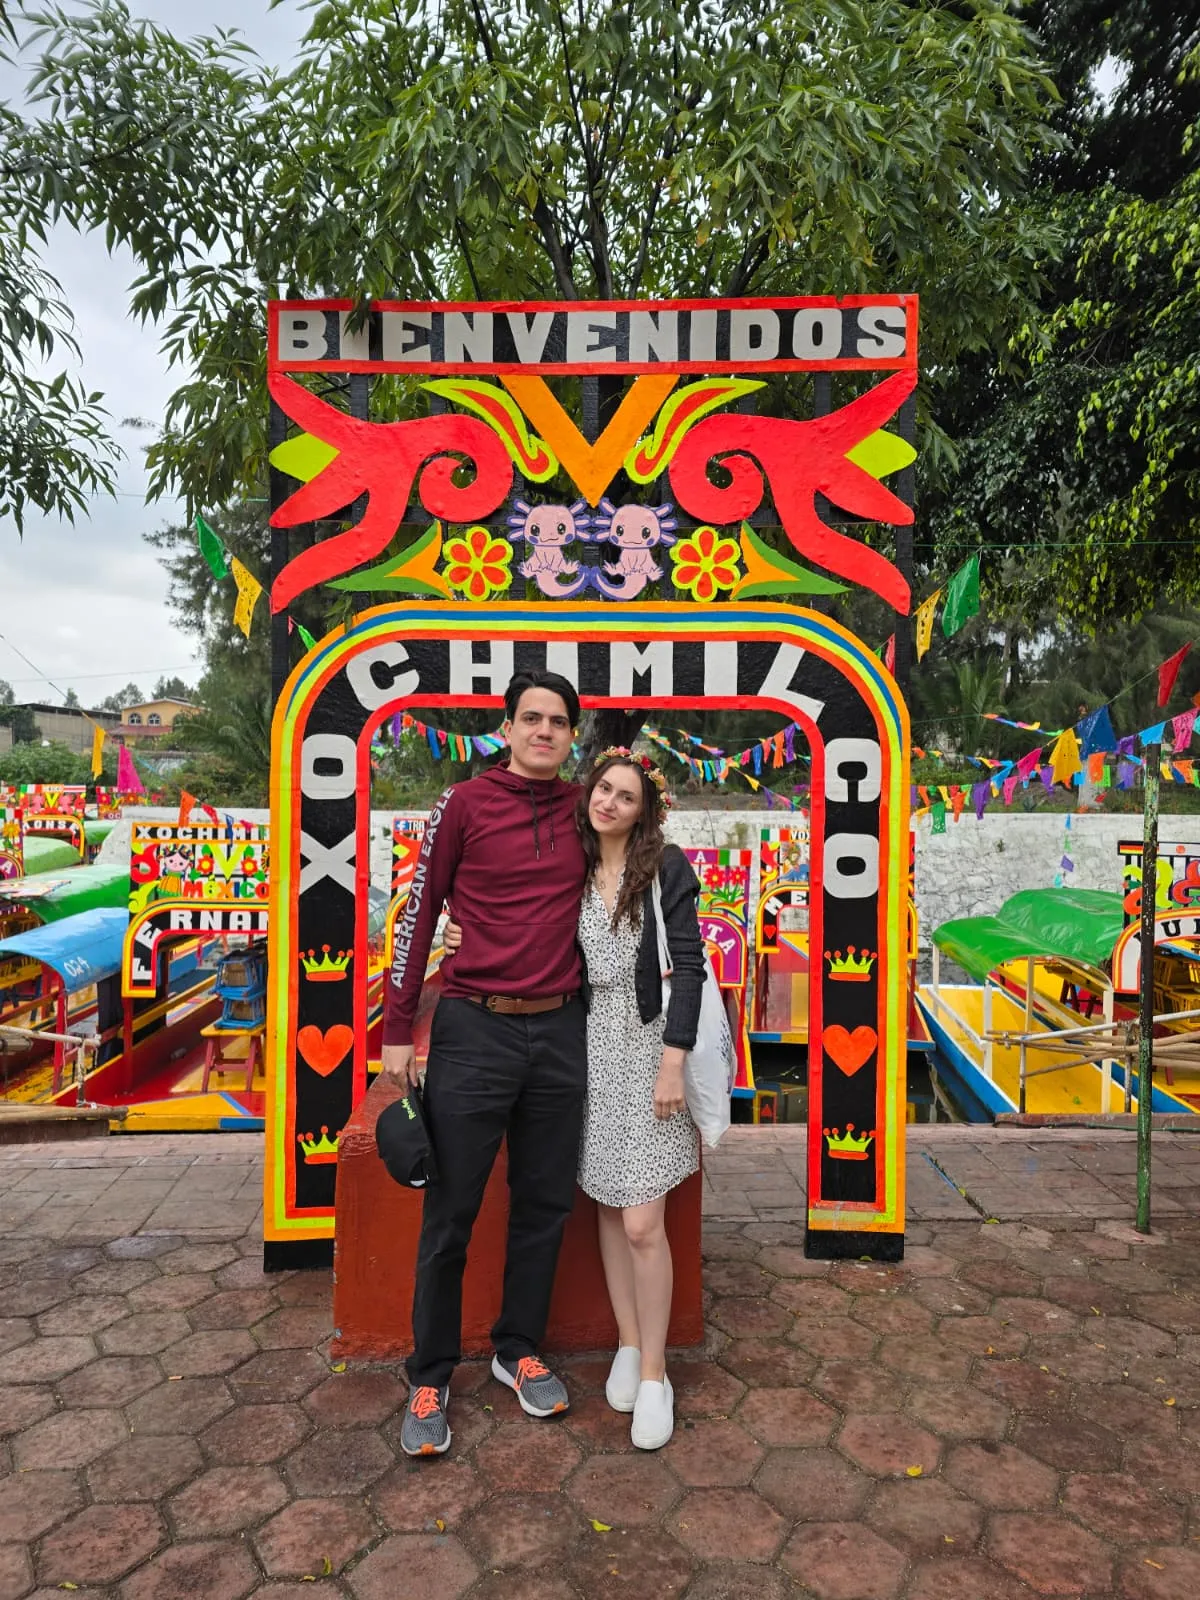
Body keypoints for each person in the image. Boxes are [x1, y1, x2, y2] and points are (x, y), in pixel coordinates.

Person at [445, 747, 706, 1449]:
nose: (610, 803)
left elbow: (691, 965)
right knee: (607, 1202)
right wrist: (458, 928)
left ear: (647, 810)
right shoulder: (574, 866)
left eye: (627, 795)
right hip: (586, 1048)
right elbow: (512, 911)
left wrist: (673, 1064)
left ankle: (656, 1373)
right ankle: (626, 1341)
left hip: (650, 1048)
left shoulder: (666, 870)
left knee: (644, 1222)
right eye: (603, 790)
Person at [381, 669, 589, 1458]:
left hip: (560, 1033)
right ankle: (430, 1373)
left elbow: (628, 889)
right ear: (505, 727)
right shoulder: (462, 804)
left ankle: (516, 1349)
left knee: (544, 1204)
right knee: (451, 1215)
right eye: (530, 718)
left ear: (573, 736)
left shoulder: (583, 810)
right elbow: (419, 912)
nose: (544, 731)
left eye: (558, 722)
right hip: (473, 1030)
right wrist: (400, 1028)